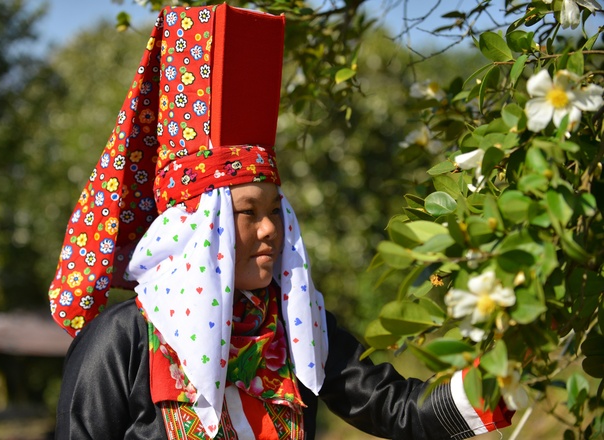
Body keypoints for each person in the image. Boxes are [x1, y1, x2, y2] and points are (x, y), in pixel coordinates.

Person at [48, 4, 514, 439]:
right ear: (194, 232)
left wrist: (504, 375)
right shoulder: (124, 339)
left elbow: (400, 410)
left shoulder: (297, 324)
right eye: (248, 213)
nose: (271, 229)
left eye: (276, 212)